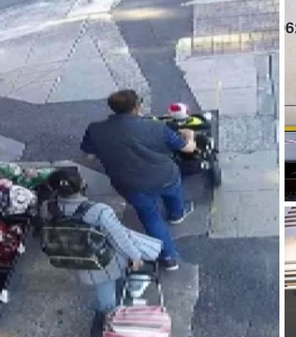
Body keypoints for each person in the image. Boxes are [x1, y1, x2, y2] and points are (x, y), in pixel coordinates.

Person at [80, 89, 196, 271]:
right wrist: (189, 136)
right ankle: (177, 214)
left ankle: (168, 257)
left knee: (150, 217)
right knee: (173, 192)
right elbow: (188, 149)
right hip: (164, 176)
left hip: (130, 184)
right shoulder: (155, 127)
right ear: (136, 107)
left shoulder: (95, 129)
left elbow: (89, 156)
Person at [44, 168, 162, 315]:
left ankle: (111, 308)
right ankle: (110, 315)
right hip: (103, 259)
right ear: (82, 184)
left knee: (101, 282)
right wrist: (135, 256)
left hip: (73, 255)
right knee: (107, 285)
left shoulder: (48, 207)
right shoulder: (98, 211)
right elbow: (119, 238)